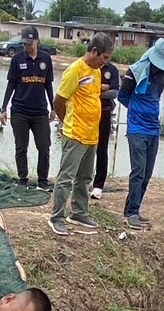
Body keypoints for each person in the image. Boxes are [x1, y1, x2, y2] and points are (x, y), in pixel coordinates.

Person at [49, 33, 113, 237]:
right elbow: (59, 101)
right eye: (104, 57)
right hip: (75, 133)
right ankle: (57, 217)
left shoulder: (96, 71)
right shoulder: (74, 70)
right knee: (66, 177)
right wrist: (66, 122)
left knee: (85, 177)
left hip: (91, 134)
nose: (105, 62)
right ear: (94, 51)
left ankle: (79, 213)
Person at [118, 38, 164, 230]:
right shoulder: (134, 72)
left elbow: (155, 97)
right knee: (138, 171)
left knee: (147, 173)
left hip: (153, 128)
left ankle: (132, 208)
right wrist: (136, 111)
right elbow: (122, 96)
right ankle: (132, 213)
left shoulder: (163, 75)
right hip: (137, 129)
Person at [0, 26, 56, 191]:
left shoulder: (46, 59)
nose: (27, 46)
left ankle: (43, 181)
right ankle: (23, 179)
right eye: (24, 43)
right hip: (20, 111)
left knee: (44, 147)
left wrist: (53, 108)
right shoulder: (17, 59)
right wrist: (3, 108)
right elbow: (11, 84)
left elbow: (48, 85)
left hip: (40, 112)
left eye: (30, 43)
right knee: (21, 147)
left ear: (37, 41)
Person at [90, 58, 120, 200]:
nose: (105, 59)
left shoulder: (112, 70)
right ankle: (82, 182)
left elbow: (114, 93)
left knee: (102, 149)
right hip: (87, 113)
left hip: (105, 112)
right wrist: (102, 87)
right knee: (85, 147)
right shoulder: (89, 67)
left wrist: (94, 90)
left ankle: (98, 186)